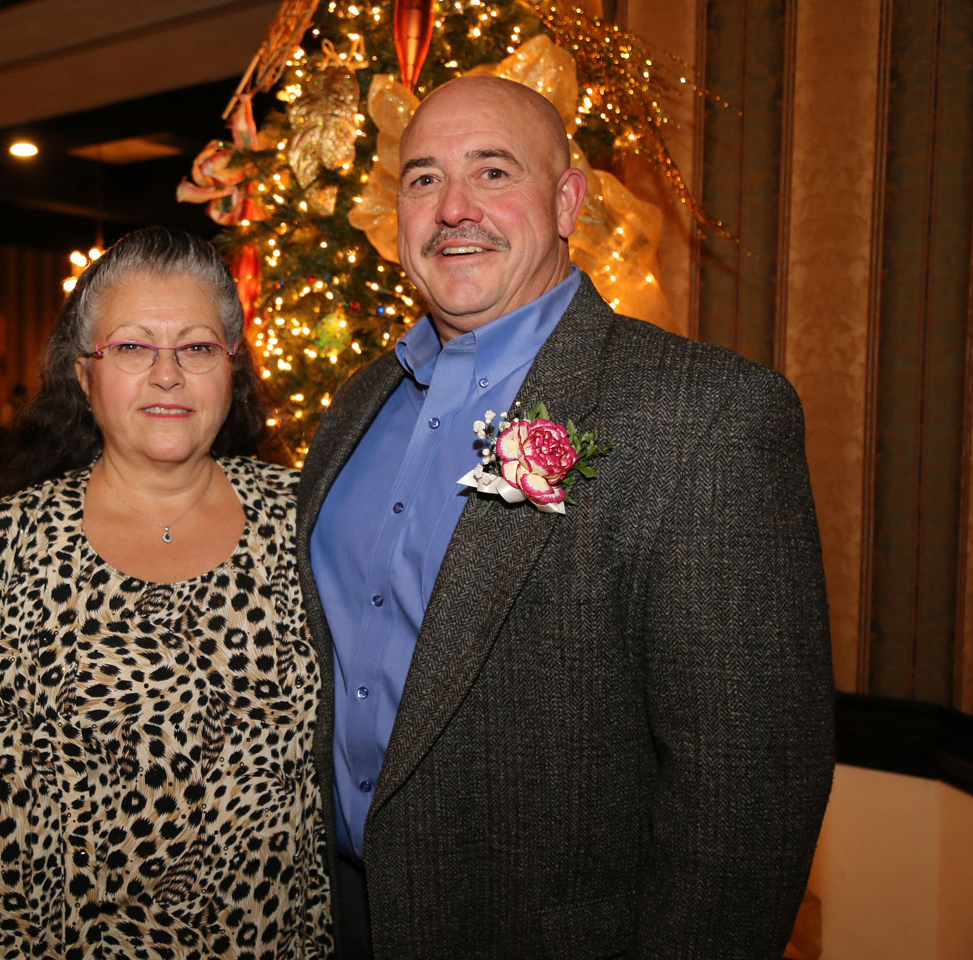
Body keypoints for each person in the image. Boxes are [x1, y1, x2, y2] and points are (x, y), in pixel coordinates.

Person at [298, 75, 835, 960]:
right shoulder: (360, 403)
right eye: (424, 178)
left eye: (494, 171)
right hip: (332, 921)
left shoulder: (705, 417)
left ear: (567, 202)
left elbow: (747, 798)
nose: (453, 208)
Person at [0, 226, 332, 959]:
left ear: (231, 368)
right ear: (84, 376)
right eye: (131, 347)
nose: (168, 374)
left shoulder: (310, 525)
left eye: (197, 347)